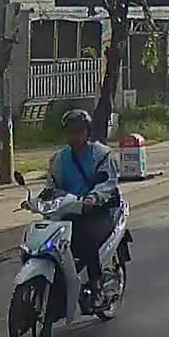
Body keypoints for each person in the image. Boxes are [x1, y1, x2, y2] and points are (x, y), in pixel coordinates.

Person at [46, 109, 120, 306]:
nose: (74, 136)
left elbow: (108, 182)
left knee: (85, 236)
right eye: (70, 132)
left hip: (98, 211)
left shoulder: (102, 154)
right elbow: (51, 185)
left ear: (87, 132)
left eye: (78, 132)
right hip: (68, 210)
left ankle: (96, 286)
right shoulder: (59, 158)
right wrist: (40, 200)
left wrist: (92, 199)